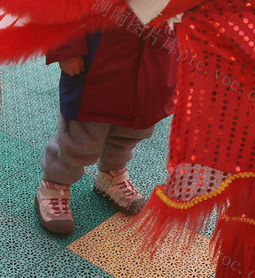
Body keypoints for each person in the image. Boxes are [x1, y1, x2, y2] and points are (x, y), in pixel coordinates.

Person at [34, 27, 176, 234]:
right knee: (82, 137)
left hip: (155, 59)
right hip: (99, 58)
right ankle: (55, 184)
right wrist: (65, 48)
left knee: (132, 131)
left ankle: (110, 174)